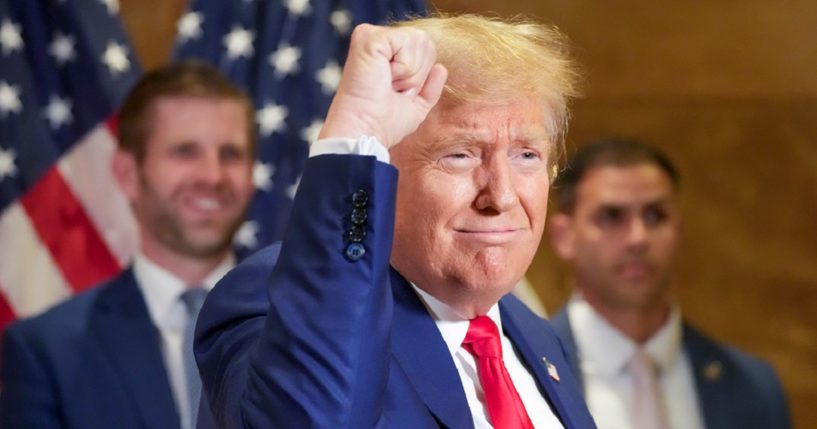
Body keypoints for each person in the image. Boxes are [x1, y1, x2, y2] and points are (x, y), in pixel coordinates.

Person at [194, 13, 597, 429]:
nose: (502, 195)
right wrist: (357, 134)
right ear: (382, 167)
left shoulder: (534, 333)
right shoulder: (273, 299)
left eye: (526, 155)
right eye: (460, 154)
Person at [0, 61, 256, 429]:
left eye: (231, 154)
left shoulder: (305, 322)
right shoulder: (46, 350)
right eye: (185, 151)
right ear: (128, 175)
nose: (213, 176)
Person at [547, 138, 792, 429]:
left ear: (678, 229)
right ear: (565, 236)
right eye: (611, 217)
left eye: (655, 215)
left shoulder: (752, 386)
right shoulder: (523, 372)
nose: (638, 238)